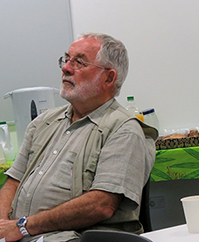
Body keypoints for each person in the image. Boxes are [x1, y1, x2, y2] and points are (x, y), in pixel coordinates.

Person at [0, 33, 158, 242]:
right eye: (66, 60)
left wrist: (23, 227)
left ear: (108, 78)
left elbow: (101, 205)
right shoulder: (43, 122)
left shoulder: (124, 129)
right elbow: (13, 182)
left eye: (79, 62)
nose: (66, 68)